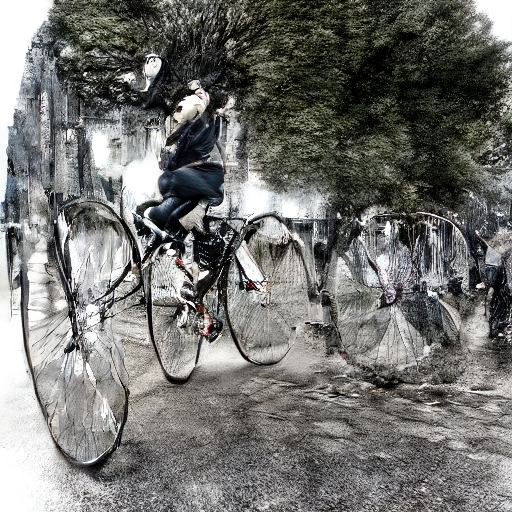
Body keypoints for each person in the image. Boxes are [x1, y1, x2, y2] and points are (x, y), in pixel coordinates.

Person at [134, 77, 225, 247]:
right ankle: (163, 222)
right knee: (208, 192)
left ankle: (168, 228)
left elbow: (211, 143)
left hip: (181, 174)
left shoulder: (208, 121)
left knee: (192, 198)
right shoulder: (197, 118)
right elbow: (183, 143)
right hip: (180, 173)